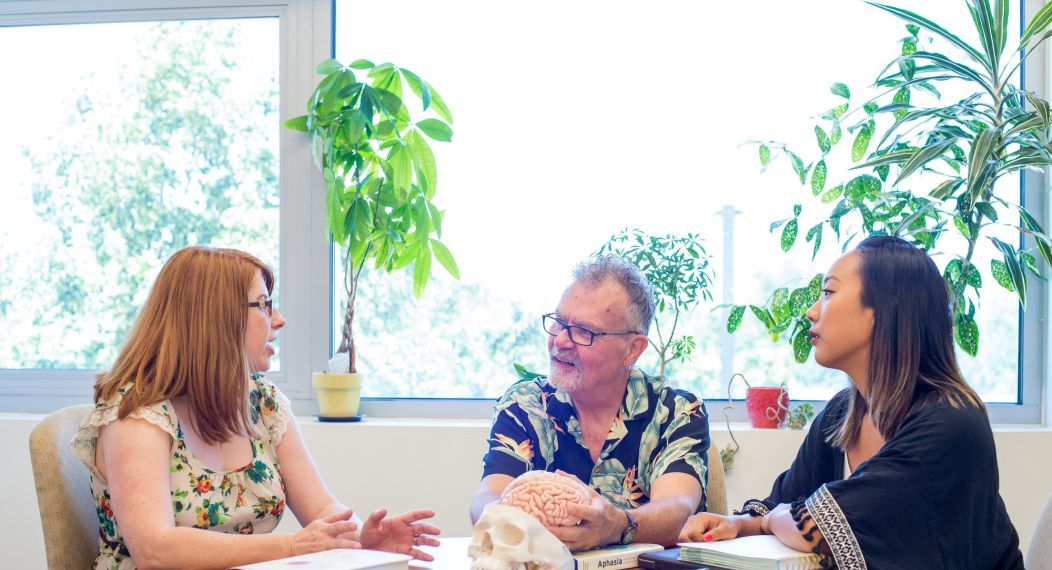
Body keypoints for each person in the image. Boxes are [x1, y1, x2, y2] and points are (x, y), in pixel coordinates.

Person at [73, 246, 441, 569]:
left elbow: (322, 510)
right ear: (215, 316)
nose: (278, 319)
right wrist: (293, 546)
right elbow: (156, 550)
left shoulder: (262, 403)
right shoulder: (137, 415)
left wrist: (360, 540)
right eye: (264, 304)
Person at [679, 236, 1024, 569]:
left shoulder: (953, 422)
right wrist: (738, 523)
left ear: (883, 309)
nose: (812, 312)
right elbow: (784, 503)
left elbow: (815, 529)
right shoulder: (840, 414)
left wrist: (777, 519)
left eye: (828, 292)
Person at [470, 255, 710, 551]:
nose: (560, 341)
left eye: (584, 331)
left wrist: (617, 526)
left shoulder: (677, 411)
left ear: (633, 349)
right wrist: (504, 524)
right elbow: (488, 495)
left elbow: (677, 509)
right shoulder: (524, 406)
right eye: (558, 323)